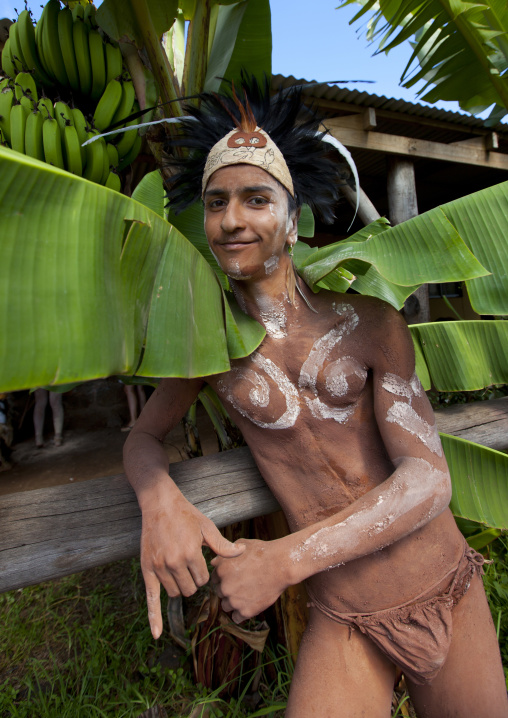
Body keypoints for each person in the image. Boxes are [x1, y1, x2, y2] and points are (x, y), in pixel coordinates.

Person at [123, 79, 508, 717]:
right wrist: (158, 500)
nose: (233, 219)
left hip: (447, 588)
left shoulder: (370, 324)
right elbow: (141, 438)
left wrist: (284, 561)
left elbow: (428, 481)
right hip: (347, 616)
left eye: (255, 199)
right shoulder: (206, 349)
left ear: (293, 221)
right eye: (216, 203)